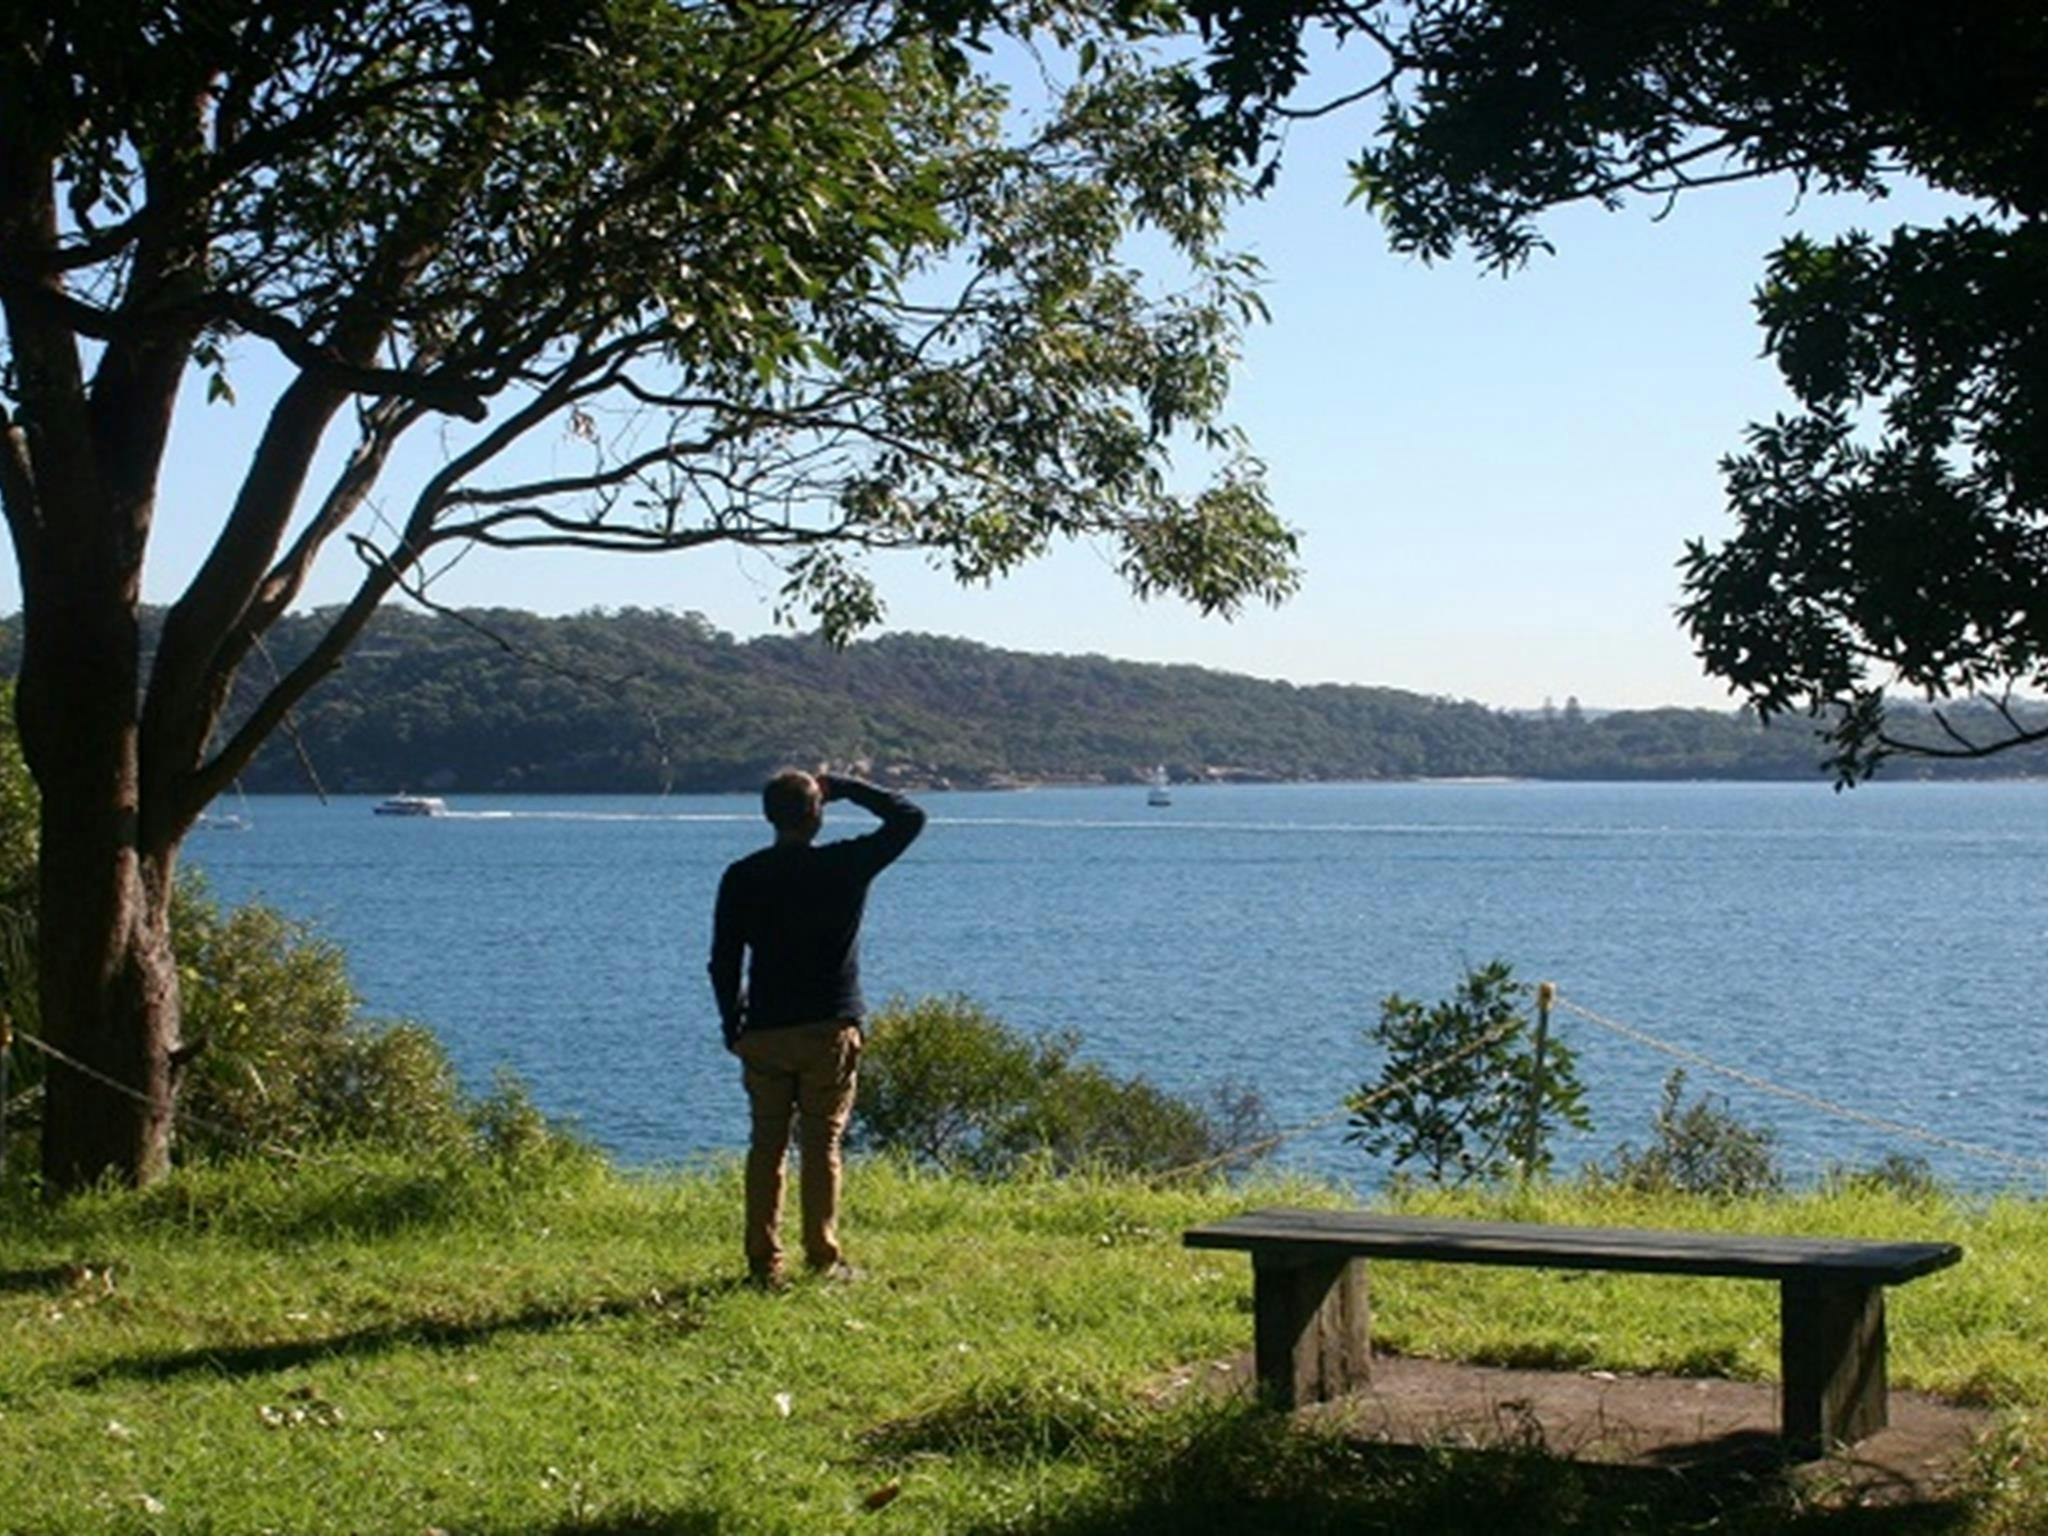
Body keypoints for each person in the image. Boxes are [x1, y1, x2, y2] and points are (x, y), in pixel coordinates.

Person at [708, 769, 925, 1286]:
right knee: (822, 1145)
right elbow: (909, 817)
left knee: (768, 1145)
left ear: (768, 816)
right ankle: (823, 1258)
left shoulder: (742, 876)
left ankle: (764, 1262)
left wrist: (732, 1021)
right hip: (829, 1025)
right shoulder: (845, 865)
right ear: (816, 813)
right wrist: (845, 786)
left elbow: (723, 961)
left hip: (765, 1029)